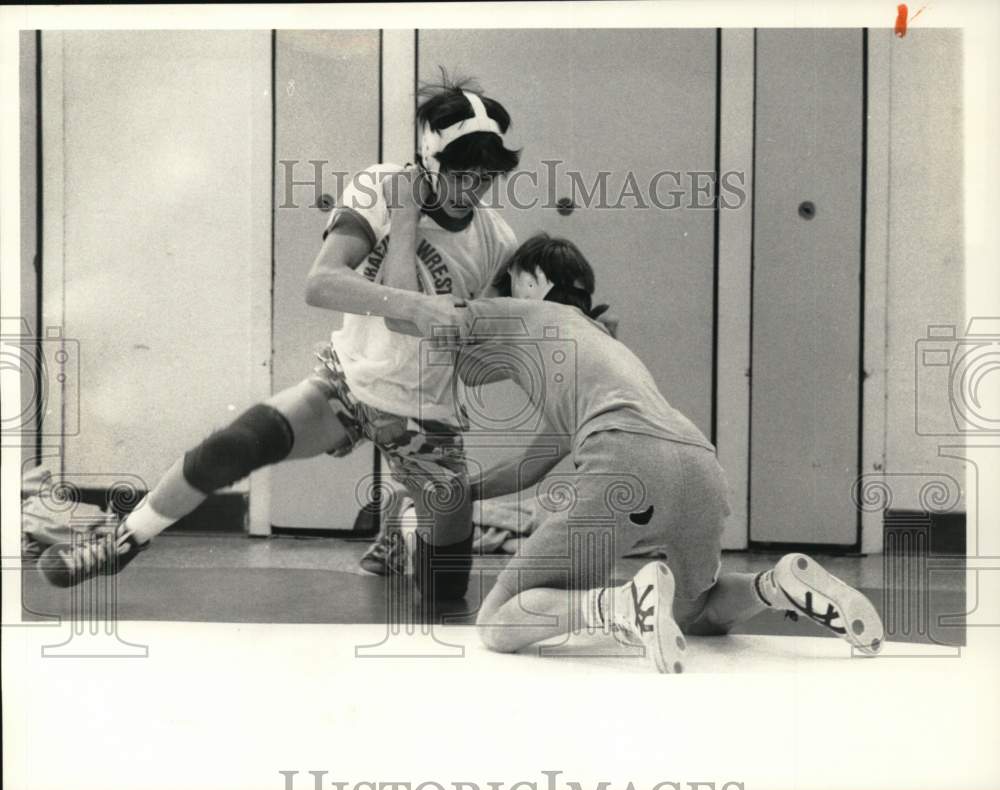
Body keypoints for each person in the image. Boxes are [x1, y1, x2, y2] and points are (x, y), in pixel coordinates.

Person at [40, 78, 521, 604]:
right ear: (429, 160)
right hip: (352, 383)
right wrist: (404, 226)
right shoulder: (381, 185)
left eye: (489, 174)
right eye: (462, 171)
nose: (474, 186)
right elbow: (321, 283)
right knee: (231, 447)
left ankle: (406, 524)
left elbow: (473, 339)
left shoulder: (497, 240)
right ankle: (124, 538)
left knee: (444, 594)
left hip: (427, 414)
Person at [383, 234, 886, 672]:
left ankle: (623, 605)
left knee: (496, 621)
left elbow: (406, 315)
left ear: (532, 280)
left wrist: (404, 218)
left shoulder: (523, 312)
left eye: (506, 281)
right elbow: (529, 466)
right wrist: (461, 492)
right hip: (697, 463)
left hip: (626, 457)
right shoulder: (597, 347)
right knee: (696, 611)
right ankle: (775, 586)